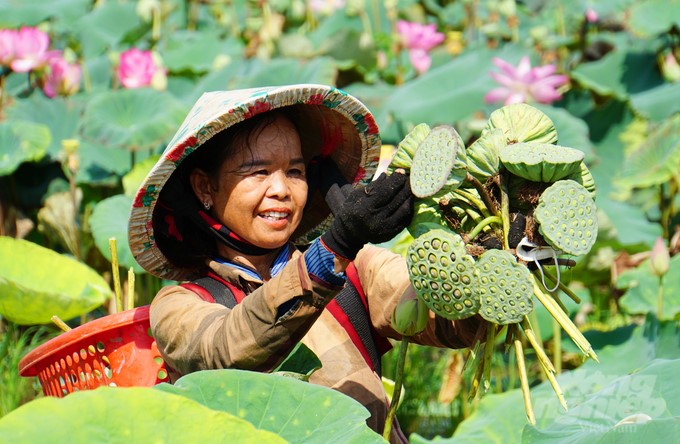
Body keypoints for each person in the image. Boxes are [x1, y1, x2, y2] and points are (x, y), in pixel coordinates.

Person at [128, 84, 479, 442]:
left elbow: (448, 317)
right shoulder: (180, 306)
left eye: (295, 172)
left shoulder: (357, 271)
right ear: (205, 187)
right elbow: (226, 351)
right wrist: (333, 249)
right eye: (258, 172)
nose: (282, 189)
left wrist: (493, 252)